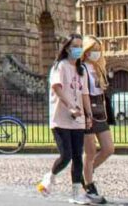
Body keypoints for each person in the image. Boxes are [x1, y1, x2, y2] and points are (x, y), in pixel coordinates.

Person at [37, 33, 93, 204]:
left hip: (78, 119)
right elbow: (57, 88)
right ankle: (50, 176)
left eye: (80, 46)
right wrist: (70, 106)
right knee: (66, 155)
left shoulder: (81, 69)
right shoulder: (59, 66)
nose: (78, 49)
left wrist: (88, 114)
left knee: (77, 156)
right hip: (60, 117)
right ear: (67, 48)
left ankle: (76, 193)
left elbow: (85, 94)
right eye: (75, 46)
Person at [81, 35, 114, 204]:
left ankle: (86, 172)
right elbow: (83, 93)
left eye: (98, 50)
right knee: (91, 151)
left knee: (108, 148)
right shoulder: (82, 69)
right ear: (85, 51)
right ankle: (89, 184)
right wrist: (87, 114)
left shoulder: (99, 68)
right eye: (92, 50)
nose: (95, 53)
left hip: (100, 110)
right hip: (88, 110)